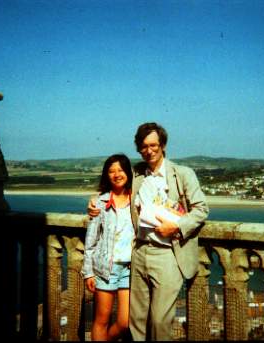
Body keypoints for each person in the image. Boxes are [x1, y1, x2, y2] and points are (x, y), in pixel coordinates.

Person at [88, 122, 209, 341]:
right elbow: (117, 185)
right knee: (137, 321)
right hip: (139, 253)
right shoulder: (138, 174)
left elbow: (201, 210)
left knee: (160, 321)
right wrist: (96, 200)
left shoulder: (182, 174)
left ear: (162, 145)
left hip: (167, 254)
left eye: (153, 145)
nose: (149, 150)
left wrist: (178, 226)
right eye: (144, 146)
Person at [81, 154, 134, 341]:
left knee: (125, 322)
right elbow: (91, 240)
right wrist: (88, 272)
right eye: (111, 171)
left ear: (128, 172)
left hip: (130, 269)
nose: (116, 174)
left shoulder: (137, 200)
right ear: (106, 175)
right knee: (101, 320)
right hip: (105, 268)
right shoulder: (100, 203)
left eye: (120, 170)